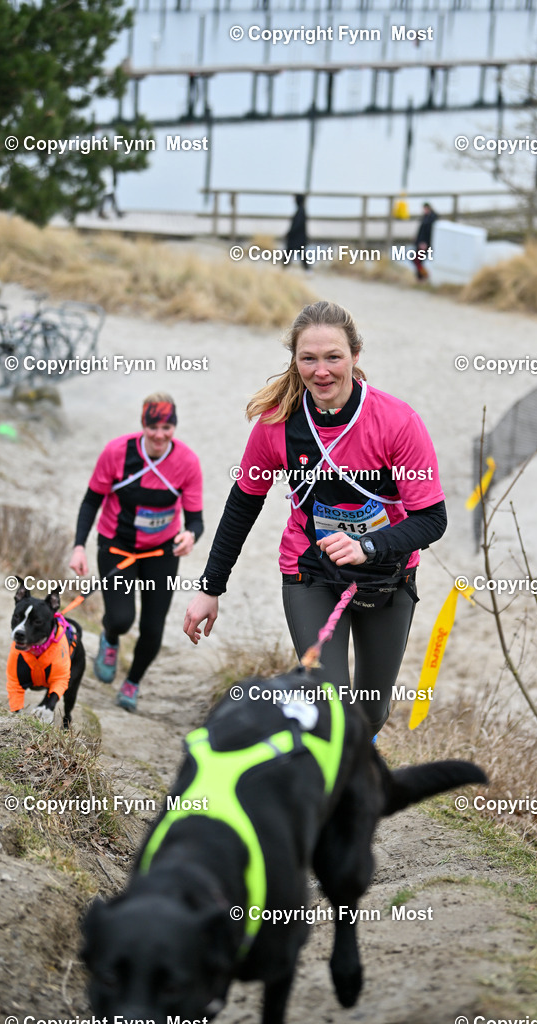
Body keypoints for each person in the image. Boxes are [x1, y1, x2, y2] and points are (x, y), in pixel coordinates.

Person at [183, 301, 446, 737]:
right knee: (331, 708)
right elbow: (243, 504)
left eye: (333, 357)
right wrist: (210, 587)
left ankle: (351, 766)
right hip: (311, 572)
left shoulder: (397, 422)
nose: (321, 371)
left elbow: (432, 519)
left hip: (387, 574)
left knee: (370, 714)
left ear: (355, 357)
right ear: (295, 361)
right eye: (308, 358)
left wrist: (367, 546)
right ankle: (326, 796)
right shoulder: (276, 426)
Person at [70, 393, 203, 712]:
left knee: (153, 628)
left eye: (167, 426)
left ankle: (133, 682)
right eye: (153, 426)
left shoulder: (187, 462)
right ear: (143, 424)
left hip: (162, 554)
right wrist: (79, 546)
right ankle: (110, 637)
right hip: (117, 547)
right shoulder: (117, 452)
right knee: (120, 618)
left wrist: (190, 536)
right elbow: (91, 501)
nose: (160, 434)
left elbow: (196, 520)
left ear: (175, 426)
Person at [413, 202, 438, 281]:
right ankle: (421, 277)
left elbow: (429, 233)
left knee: (417, 260)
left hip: (424, 244)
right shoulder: (425, 217)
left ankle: (425, 275)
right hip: (420, 242)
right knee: (418, 261)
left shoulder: (432, 219)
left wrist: (425, 243)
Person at [285, 193, 309, 269]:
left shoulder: (300, 212)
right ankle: (284, 268)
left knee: (292, 253)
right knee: (296, 253)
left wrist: (290, 232)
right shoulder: (301, 211)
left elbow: (297, 225)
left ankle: (284, 268)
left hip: (297, 238)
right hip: (298, 238)